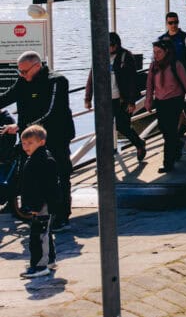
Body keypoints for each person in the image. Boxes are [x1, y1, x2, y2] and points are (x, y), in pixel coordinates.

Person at [0, 51, 74, 230]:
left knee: (60, 175)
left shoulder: (57, 81)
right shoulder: (23, 81)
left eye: (25, 72)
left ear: (37, 66)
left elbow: (50, 112)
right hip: (29, 142)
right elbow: (6, 97)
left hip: (56, 137)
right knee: (31, 175)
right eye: (20, 72)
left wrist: (21, 126)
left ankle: (62, 216)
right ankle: (35, 212)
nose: (22, 76)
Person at [84, 32, 147, 164]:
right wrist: (88, 97)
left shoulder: (125, 56)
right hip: (104, 100)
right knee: (103, 129)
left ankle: (139, 144)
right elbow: (92, 77)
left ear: (117, 45)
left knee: (123, 126)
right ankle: (104, 159)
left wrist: (131, 101)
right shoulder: (100, 56)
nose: (109, 48)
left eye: (112, 45)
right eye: (107, 45)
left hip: (121, 99)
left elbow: (132, 80)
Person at [144, 38, 186, 173]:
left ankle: (168, 163)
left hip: (175, 100)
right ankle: (178, 145)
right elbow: (149, 85)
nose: (155, 55)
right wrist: (148, 100)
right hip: (160, 101)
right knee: (163, 129)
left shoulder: (176, 64)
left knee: (170, 132)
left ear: (166, 51)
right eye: (154, 52)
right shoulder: (154, 66)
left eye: (159, 52)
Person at [16, 125, 59, 279]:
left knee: (38, 235)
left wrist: (35, 206)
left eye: (30, 143)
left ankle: (40, 265)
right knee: (45, 232)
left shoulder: (42, 160)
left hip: (41, 205)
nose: (26, 147)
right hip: (40, 204)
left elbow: (43, 187)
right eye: (24, 144)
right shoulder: (37, 158)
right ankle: (49, 260)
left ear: (41, 142)